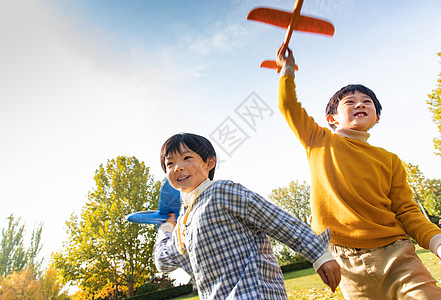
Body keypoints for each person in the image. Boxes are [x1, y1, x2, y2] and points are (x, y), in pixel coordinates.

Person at [275, 43, 441, 299]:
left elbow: (407, 211)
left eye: (367, 102)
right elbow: (288, 107)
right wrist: (287, 71)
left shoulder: (390, 160)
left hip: (396, 254)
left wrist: (435, 240)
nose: (359, 104)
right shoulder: (319, 140)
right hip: (346, 264)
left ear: (377, 118)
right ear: (332, 119)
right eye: (349, 102)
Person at [153, 132, 340, 299]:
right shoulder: (185, 221)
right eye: (170, 163)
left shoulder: (221, 191)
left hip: (254, 292)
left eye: (187, 157)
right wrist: (166, 227)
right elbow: (165, 259)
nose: (177, 167)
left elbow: (274, 218)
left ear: (209, 162)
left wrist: (319, 253)